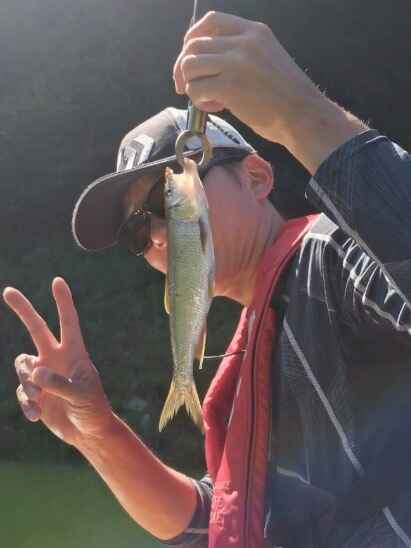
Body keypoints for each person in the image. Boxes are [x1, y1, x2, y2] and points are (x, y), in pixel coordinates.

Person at [3, 10, 411, 548]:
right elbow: (212, 517)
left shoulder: (331, 255)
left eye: (165, 198)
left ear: (257, 177)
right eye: (136, 230)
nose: (157, 234)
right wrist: (97, 433)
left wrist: (300, 113)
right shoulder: (249, 359)